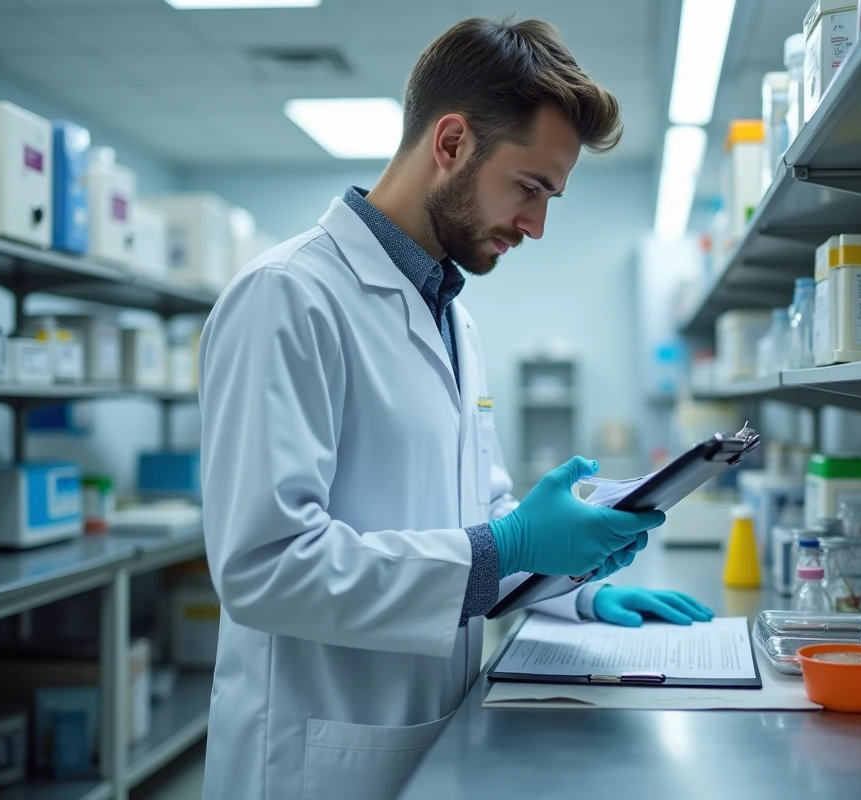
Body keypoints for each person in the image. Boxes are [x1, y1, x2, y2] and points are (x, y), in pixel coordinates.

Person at [199, 17, 714, 800]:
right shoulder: (288, 297)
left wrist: (574, 582)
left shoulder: (451, 313)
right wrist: (505, 545)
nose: (537, 225)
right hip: (313, 758)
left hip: (431, 734)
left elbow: (483, 514)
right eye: (530, 188)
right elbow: (266, 569)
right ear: (450, 144)